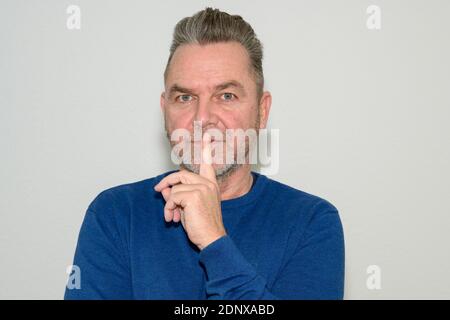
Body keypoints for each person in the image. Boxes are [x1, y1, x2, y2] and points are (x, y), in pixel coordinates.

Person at [64, 7, 345, 300]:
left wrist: (213, 240)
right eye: (185, 97)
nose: (202, 118)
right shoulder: (116, 215)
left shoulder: (311, 222)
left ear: (261, 111)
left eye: (226, 96)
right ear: (165, 110)